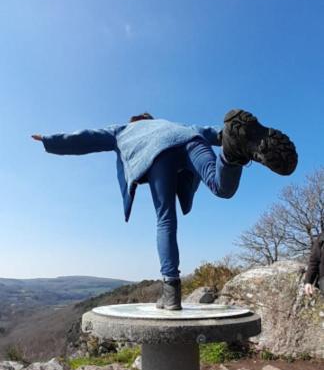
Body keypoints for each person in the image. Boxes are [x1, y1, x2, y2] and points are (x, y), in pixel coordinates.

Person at [32, 109, 297, 310]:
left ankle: (170, 292)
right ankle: (233, 153)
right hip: (190, 140)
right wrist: (228, 136)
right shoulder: (175, 125)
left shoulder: (123, 129)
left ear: (135, 121)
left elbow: (86, 139)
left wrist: (50, 141)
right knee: (221, 187)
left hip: (157, 155)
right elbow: (214, 132)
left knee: (165, 221)